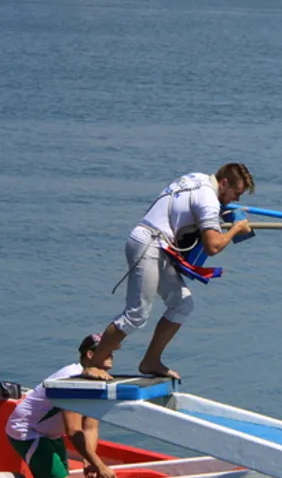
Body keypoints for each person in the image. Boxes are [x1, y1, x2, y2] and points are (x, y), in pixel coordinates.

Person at [83, 163, 255, 381]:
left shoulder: (197, 178)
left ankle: (150, 361)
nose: (238, 199)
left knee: (183, 304)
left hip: (158, 244)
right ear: (223, 184)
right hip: (149, 244)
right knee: (136, 314)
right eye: (236, 193)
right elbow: (212, 247)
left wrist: (223, 213)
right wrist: (237, 228)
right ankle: (94, 363)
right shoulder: (209, 200)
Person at [5, 334, 121, 478]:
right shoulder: (70, 379)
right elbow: (73, 430)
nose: (111, 355)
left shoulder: (99, 382)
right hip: (27, 431)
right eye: (107, 351)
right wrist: (99, 464)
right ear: (90, 355)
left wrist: (89, 460)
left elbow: (90, 427)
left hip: (50, 433)